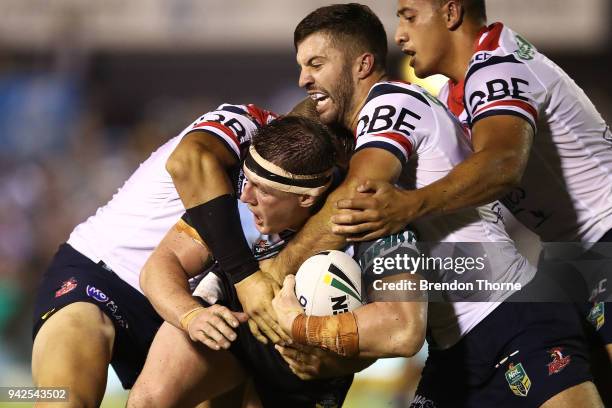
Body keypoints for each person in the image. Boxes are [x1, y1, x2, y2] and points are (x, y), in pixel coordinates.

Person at [261, 3, 603, 407]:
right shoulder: (389, 132)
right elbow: (396, 317)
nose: (304, 79)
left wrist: (270, 275)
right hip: (456, 347)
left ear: (362, 64)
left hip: (512, 317)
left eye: (316, 63)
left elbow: (358, 197)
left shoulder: (394, 102)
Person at [127, 115, 418, 407]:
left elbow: (403, 331)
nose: (244, 196)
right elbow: (162, 263)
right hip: (230, 314)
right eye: (246, 180)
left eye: (263, 191)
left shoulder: (371, 215)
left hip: (309, 360)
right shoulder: (237, 189)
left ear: (306, 198)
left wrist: (314, 339)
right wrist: (190, 315)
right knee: (148, 401)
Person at [31, 101, 283, 407]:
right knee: (62, 399)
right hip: (104, 277)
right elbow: (188, 160)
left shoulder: (332, 187)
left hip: (204, 307)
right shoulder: (250, 121)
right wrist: (245, 277)